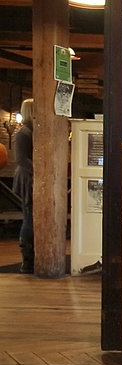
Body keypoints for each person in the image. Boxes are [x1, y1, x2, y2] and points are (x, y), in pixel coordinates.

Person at [12, 98, 34, 274]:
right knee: (29, 216)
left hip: (31, 175)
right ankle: (27, 260)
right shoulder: (23, 133)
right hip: (27, 177)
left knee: (31, 216)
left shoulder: (31, 131)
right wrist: (38, 170)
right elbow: (20, 158)